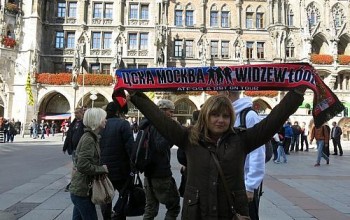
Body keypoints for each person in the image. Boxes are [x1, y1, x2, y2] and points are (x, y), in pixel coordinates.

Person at [126, 87, 305, 219]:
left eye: (226, 116)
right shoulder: (189, 138)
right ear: (206, 116)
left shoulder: (242, 140)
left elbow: (274, 121)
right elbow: (159, 119)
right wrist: (135, 95)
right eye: (215, 115)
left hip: (231, 211)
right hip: (197, 212)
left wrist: (297, 93)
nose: (220, 120)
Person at [222, 91, 265, 220]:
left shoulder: (249, 115)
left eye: (218, 91)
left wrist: (251, 186)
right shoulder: (227, 114)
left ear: (226, 92)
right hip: (227, 178)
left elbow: (258, 151)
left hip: (244, 181)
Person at [138, 99, 180, 220]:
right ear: (162, 110)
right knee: (174, 207)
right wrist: (172, 133)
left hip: (148, 173)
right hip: (161, 173)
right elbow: (161, 146)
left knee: (151, 209)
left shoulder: (147, 123)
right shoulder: (160, 125)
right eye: (170, 112)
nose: (171, 114)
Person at [69, 108, 109, 220]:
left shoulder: (91, 137)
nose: (106, 120)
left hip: (80, 189)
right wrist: (102, 169)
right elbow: (82, 165)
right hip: (82, 191)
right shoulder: (89, 139)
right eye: (103, 118)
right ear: (96, 120)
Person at [100, 101, 134, 220]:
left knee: (106, 197)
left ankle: (106, 217)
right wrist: (133, 164)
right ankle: (119, 215)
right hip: (121, 169)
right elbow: (130, 147)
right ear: (118, 112)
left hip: (103, 169)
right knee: (124, 195)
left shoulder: (100, 125)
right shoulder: (123, 124)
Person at [63, 108, 85, 191]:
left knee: (77, 166)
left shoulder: (84, 123)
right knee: (76, 166)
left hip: (81, 149)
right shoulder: (74, 122)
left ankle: (74, 183)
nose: (75, 114)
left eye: (77, 113)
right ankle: (74, 182)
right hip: (74, 149)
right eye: (75, 113)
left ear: (81, 113)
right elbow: (69, 135)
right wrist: (65, 146)